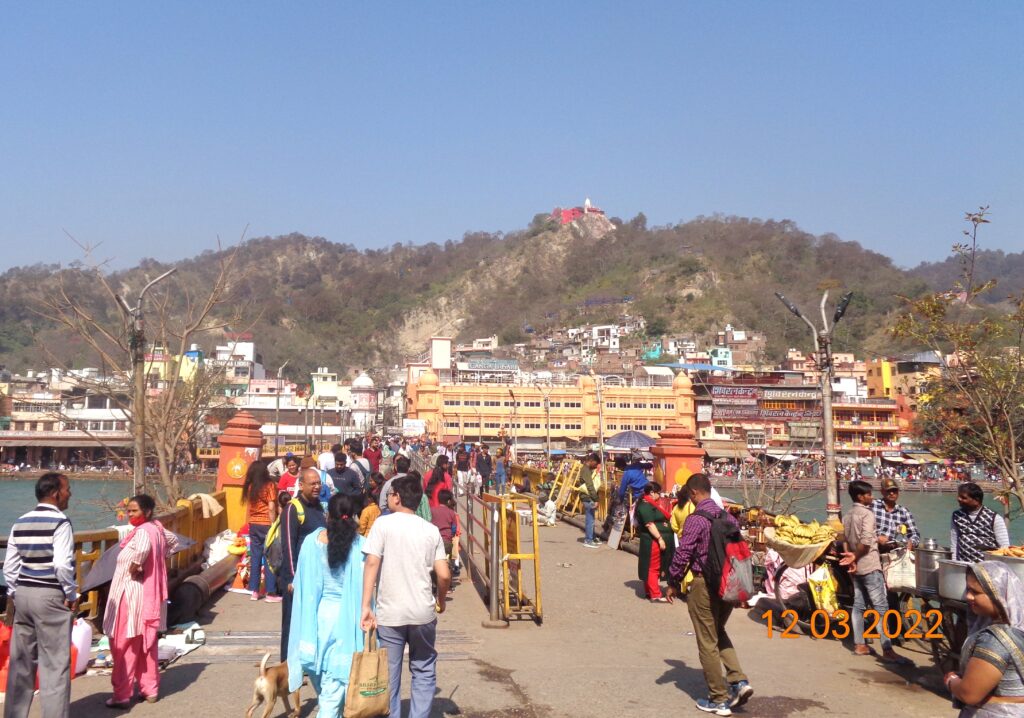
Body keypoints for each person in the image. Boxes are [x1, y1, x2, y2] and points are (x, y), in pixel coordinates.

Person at [361, 475, 450, 718]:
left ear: (397, 497)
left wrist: (366, 605)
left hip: (390, 613)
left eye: (389, 494)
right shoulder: (430, 530)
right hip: (422, 612)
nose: (388, 498)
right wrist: (441, 601)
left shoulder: (382, 524)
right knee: (423, 668)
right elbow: (443, 575)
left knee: (390, 673)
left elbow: (371, 563)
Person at [669, 473, 753, 715]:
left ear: (694, 493)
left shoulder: (696, 519)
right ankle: (738, 681)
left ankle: (718, 698)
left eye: (690, 495)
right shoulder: (728, 517)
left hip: (703, 584)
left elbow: (683, 554)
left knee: (707, 640)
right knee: (718, 631)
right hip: (728, 584)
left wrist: (673, 581)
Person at [3, 473, 77, 718]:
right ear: (56, 493)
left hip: (23, 595)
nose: (69, 494)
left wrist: (16, 591)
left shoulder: (20, 522)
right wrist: (71, 593)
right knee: (54, 665)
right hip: (50, 595)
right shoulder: (60, 522)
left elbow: (10, 568)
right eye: (67, 489)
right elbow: (63, 565)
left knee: (21, 663)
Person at [287, 494, 368, 717]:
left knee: (325, 684)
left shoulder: (312, 542)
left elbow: (300, 581)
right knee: (334, 692)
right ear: (354, 516)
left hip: (318, 620)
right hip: (348, 620)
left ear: (327, 515)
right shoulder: (361, 546)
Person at [103, 494, 179, 707]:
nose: (130, 514)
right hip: (146, 595)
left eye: (134, 511)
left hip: (130, 594)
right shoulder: (157, 528)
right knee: (145, 644)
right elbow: (173, 541)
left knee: (123, 644)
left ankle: (122, 694)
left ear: (146, 512)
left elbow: (144, 548)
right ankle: (150, 689)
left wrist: (138, 564)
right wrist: (157, 559)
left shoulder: (144, 532)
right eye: (128, 511)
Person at [944, 561, 1024, 716]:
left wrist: (951, 680)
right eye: (968, 589)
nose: (968, 596)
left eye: (976, 592)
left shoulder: (994, 640)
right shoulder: (1018, 629)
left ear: (997, 594)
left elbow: (970, 694)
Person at [843, 480, 909, 665]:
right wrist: (855, 556)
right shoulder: (867, 514)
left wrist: (851, 558)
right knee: (881, 607)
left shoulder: (848, 515)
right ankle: (887, 648)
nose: (872, 498)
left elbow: (845, 540)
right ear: (860, 496)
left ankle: (859, 645)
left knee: (859, 605)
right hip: (870, 564)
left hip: (856, 567)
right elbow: (865, 542)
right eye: (869, 495)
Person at [279, 468, 327, 660]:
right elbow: (288, 545)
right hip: (297, 575)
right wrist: (291, 577)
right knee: (292, 621)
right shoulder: (292, 509)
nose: (316, 487)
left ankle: (306, 661)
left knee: (311, 618)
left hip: (316, 574)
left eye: (318, 483)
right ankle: (287, 665)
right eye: (312, 483)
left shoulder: (318, 507)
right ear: (301, 485)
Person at [242, 461, 280, 602]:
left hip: (254, 524)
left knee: (256, 557)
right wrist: (273, 524)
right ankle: (270, 592)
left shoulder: (251, 487)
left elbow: (249, 507)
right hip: (266, 524)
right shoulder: (269, 485)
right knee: (270, 558)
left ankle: (255, 591)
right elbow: (271, 507)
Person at [952, 482, 1011, 562]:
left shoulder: (994, 518)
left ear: (976, 500)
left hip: (987, 567)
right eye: (959, 496)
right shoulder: (957, 516)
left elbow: (1004, 547)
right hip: (963, 565)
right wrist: (954, 563)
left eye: (963, 497)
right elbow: (954, 542)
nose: (959, 499)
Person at [636, 482, 674, 602]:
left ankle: (649, 590)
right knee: (653, 567)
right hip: (652, 540)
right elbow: (650, 524)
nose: (660, 495)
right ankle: (655, 594)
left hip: (651, 539)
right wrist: (660, 538)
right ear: (652, 493)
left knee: (649, 566)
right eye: (659, 493)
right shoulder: (645, 505)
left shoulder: (647, 503)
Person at [872, 478, 921, 549]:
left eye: (894, 491)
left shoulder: (904, 512)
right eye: (888, 491)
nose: (892, 493)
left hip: (892, 551)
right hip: (871, 548)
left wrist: (912, 542)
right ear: (882, 492)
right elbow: (859, 529)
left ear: (898, 492)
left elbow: (914, 533)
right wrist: (876, 538)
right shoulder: (873, 505)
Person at [578, 452, 602, 548]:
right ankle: (588, 540)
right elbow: (590, 485)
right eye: (595, 464)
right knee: (590, 519)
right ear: (592, 461)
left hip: (586, 497)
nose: (595, 466)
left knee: (591, 518)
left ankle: (592, 537)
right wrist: (596, 499)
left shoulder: (585, 469)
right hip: (588, 497)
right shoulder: (586, 470)